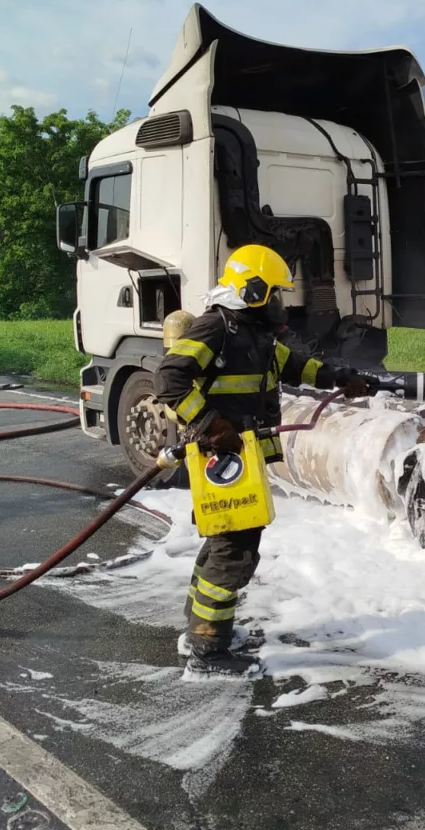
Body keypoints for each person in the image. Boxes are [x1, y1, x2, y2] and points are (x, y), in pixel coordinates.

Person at [153, 244, 373, 678]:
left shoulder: (252, 334)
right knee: (233, 552)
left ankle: (202, 631)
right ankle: (208, 653)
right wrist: (214, 426)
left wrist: (340, 377)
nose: (280, 302)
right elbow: (169, 379)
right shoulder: (216, 327)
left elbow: (296, 367)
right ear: (252, 291)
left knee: (224, 543)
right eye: (274, 293)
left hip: (239, 460)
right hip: (224, 460)